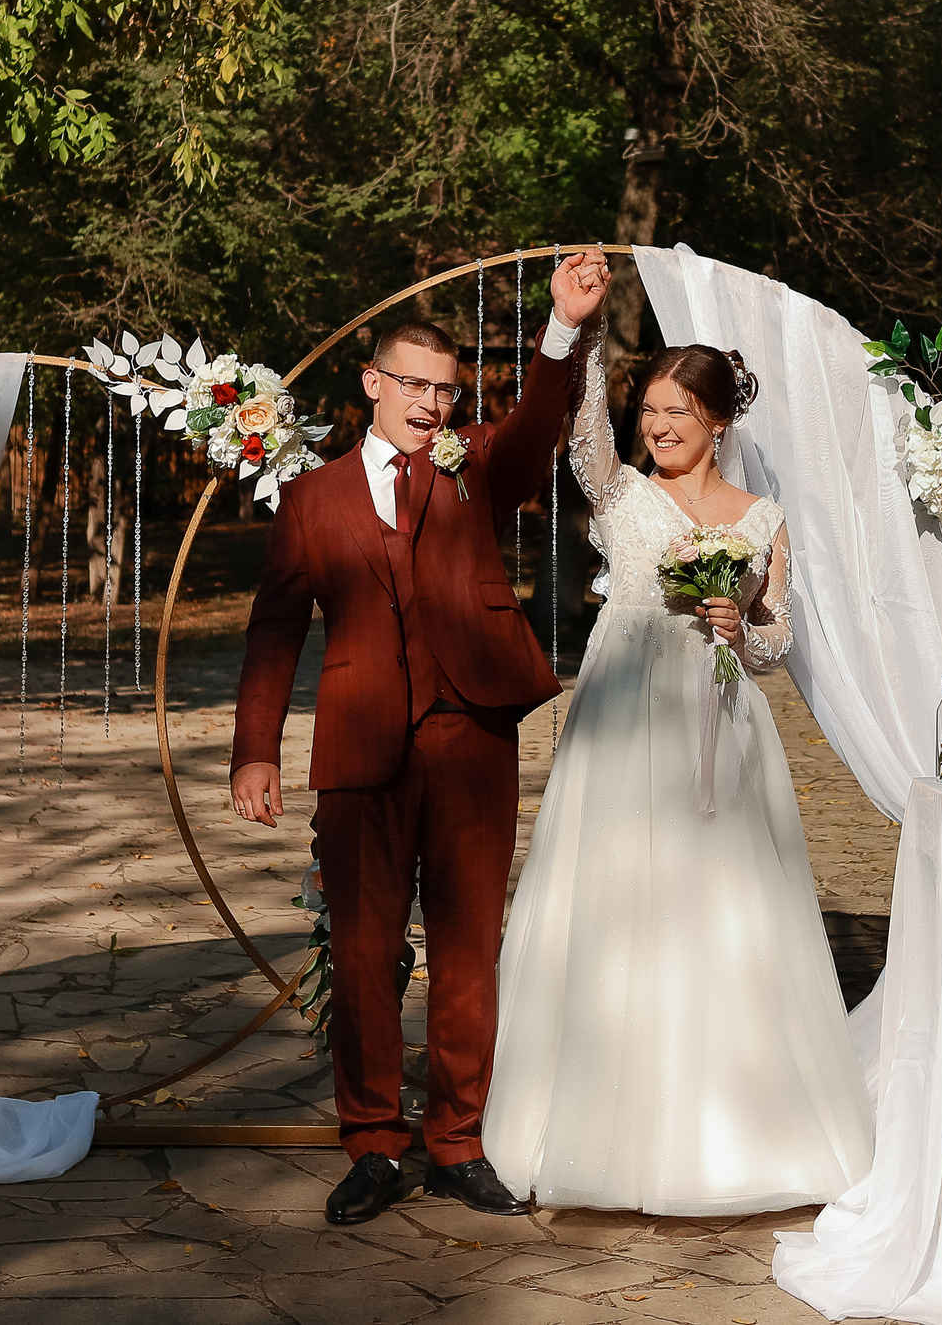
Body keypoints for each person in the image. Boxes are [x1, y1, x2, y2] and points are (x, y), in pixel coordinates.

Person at [231, 250, 610, 1226]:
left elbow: (530, 438)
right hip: (361, 746)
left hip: (471, 734)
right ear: (372, 385)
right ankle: (371, 1144)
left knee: (468, 950)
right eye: (415, 386)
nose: (433, 404)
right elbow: (275, 624)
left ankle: (455, 1143)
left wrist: (560, 332)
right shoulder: (312, 501)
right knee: (359, 957)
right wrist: (255, 749)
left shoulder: (475, 465)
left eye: (446, 390)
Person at [481, 310, 878, 1214]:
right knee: (617, 908)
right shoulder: (620, 496)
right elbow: (583, 435)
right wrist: (575, 335)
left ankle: (730, 1132)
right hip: (623, 733)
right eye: (650, 409)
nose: (658, 427)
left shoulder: (761, 518)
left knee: (726, 916)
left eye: (677, 413)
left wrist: (746, 626)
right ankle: (591, 1129)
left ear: (718, 423)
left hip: (718, 730)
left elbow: (778, 643)